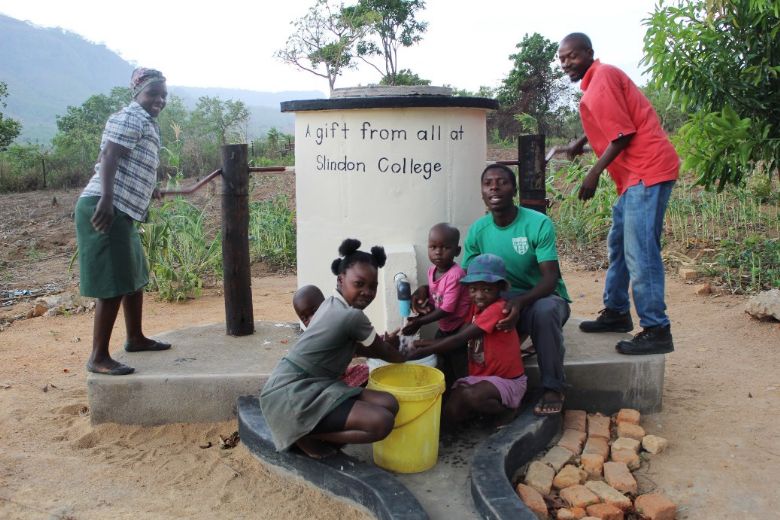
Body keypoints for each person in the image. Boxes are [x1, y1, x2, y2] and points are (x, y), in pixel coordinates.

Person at [557, 33, 679, 355]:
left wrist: (593, 173)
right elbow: (610, 117)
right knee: (619, 245)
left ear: (589, 53)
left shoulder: (603, 78)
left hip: (647, 171)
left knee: (641, 252)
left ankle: (656, 329)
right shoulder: (597, 82)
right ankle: (617, 312)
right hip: (634, 177)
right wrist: (580, 142)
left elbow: (622, 133)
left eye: (572, 56)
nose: (566, 63)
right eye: (562, 59)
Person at [261, 239, 406, 459]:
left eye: (373, 286)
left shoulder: (331, 304)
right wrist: (410, 349)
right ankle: (307, 435)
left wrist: (386, 344)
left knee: (389, 403)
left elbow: (366, 349)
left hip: (313, 387)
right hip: (291, 395)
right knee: (382, 423)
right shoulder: (351, 316)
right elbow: (390, 355)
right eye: (359, 284)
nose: (367, 292)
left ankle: (315, 432)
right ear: (341, 280)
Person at [75, 68, 171, 376]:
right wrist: (105, 198)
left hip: (122, 209)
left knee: (133, 277)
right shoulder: (129, 117)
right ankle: (98, 356)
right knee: (113, 283)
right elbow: (110, 157)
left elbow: (131, 163)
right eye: (152, 93)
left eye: (163, 95)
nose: (159, 100)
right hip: (105, 206)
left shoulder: (146, 122)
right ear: (137, 93)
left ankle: (135, 338)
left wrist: (148, 187)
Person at [463, 164, 571, 415]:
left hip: (541, 296)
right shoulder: (478, 230)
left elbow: (550, 278)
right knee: (478, 306)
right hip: (503, 298)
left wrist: (520, 303)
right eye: (488, 182)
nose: (494, 187)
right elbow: (467, 277)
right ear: (482, 193)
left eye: (502, 181)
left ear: (514, 189)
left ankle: (553, 387)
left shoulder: (537, 223)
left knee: (544, 312)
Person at [405, 254, 526, 430]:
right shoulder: (476, 308)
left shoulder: (497, 309)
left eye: (486, 290)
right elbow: (459, 334)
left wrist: (421, 349)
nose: (479, 295)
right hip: (480, 378)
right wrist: (420, 344)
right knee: (450, 413)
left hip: (507, 381)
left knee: (471, 396)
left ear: (500, 288)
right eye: (473, 289)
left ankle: (507, 411)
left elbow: (459, 339)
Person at [401, 223, 472, 390]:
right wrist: (423, 308)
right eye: (433, 247)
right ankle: (445, 394)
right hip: (445, 327)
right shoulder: (432, 270)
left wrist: (420, 322)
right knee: (441, 362)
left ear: (457, 251)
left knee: (459, 367)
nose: (438, 252)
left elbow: (447, 308)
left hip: (459, 328)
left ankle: (463, 394)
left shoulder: (455, 275)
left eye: (445, 247)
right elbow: (436, 297)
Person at [292, 284, 369, 387]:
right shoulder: (311, 341)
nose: (312, 319)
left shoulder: (337, 327)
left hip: (338, 377)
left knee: (368, 370)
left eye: (315, 311)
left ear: (326, 307)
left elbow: (358, 347)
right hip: (321, 386)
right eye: (305, 318)